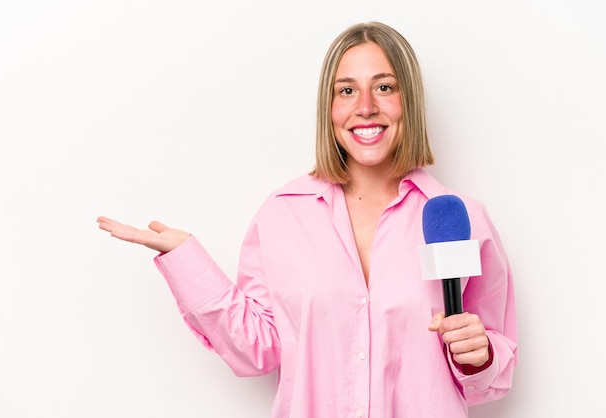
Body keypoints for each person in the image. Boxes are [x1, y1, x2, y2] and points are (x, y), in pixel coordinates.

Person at [97, 21, 517, 418]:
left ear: (409, 100)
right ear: (329, 107)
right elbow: (255, 350)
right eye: (346, 90)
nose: (365, 107)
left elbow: (494, 372)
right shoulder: (283, 214)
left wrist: (481, 354)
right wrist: (186, 259)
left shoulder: (458, 217)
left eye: (384, 87)